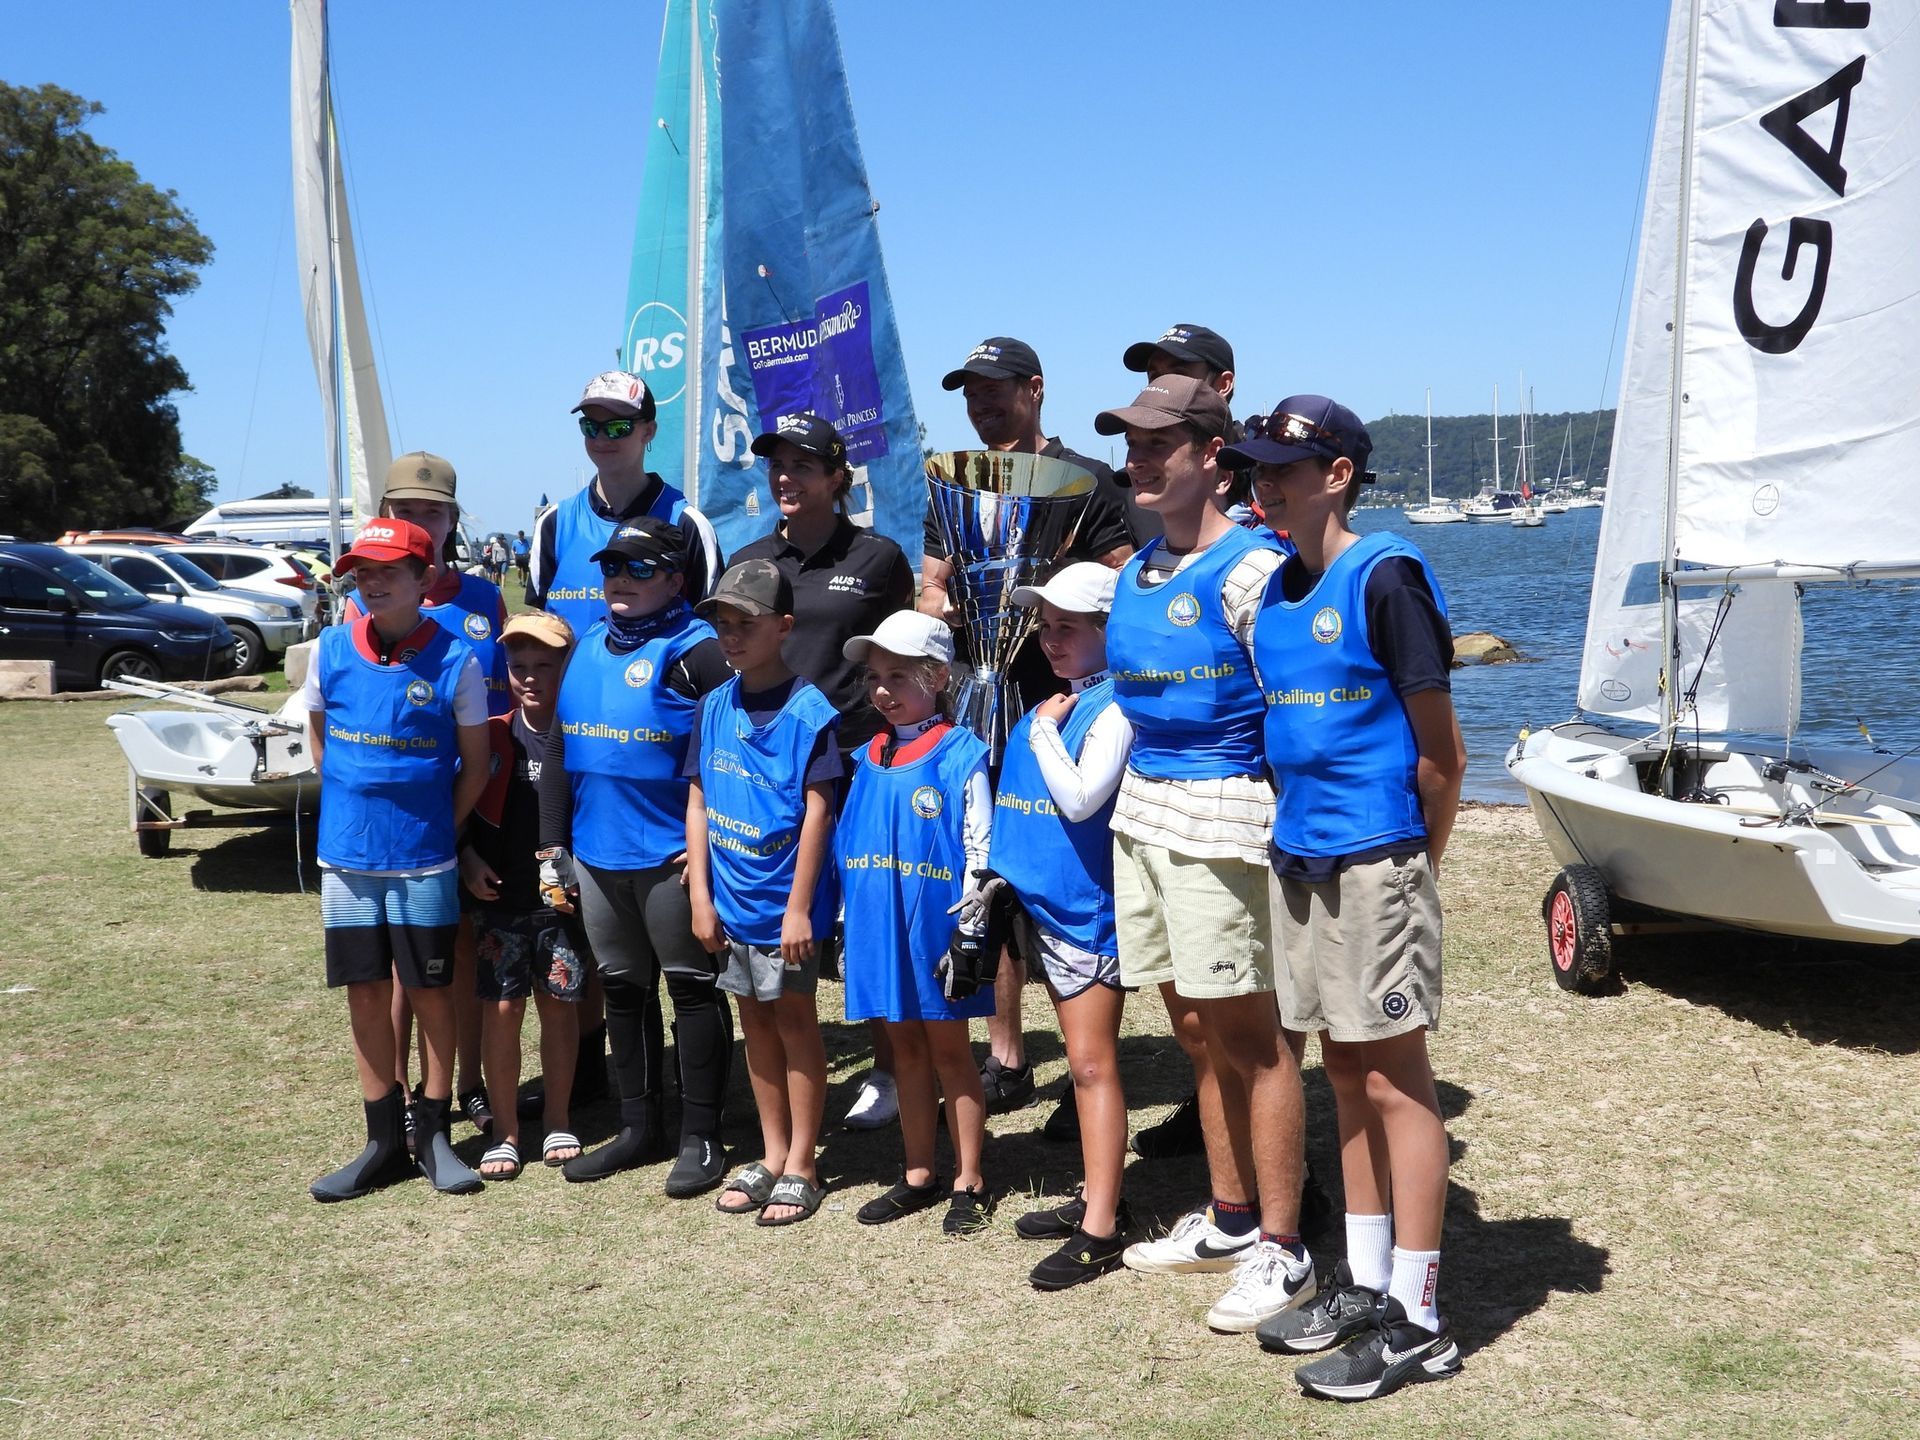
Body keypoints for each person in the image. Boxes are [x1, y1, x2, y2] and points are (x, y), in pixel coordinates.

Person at [1229, 396, 1466, 1400]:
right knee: (1341, 1072)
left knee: (1395, 1080)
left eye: (1285, 469)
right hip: (1302, 862)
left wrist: (1420, 867)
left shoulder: (1387, 577)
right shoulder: (1275, 594)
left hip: (1378, 860)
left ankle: (1418, 1317)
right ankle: (1365, 1286)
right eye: (1257, 471)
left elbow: (1442, 755)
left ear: (1338, 475)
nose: (1265, 486)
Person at [1095, 376, 1314, 1335]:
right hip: (1144, 811)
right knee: (1192, 1027)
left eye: (1159, 445)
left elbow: (1301, 711)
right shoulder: (1141, 564)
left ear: (1213, 456)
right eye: (1131, 444)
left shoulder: (1253, 571)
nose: (1137, 460)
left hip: (1224, 816)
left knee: (1253, 1038)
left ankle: (1284, 1246)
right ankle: (1228, 1219)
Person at [917, 336, 1138, 1120]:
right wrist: (929, 608)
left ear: (1035, 389)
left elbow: (1126, 578)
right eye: (971, 393)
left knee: (1066, 872)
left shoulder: (1086, 480)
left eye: (996, 390)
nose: (982, 405)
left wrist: (1059, 604)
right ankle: (1005, 1053)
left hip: (1058, 699)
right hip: (974, 697)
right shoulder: (953, 482)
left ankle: (1089, 1052)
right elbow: (934, 577)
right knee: (990, 872)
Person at [538, 518, 737, 1197]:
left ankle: (702, 1135)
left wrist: (713, 850)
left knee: (692, 988)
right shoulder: (590, 641)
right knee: (622, 990)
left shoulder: (699, 651)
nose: (621, 578)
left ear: (677, 579)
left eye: (641, 567)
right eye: (612, 566)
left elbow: (735, 751)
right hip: (597, 856)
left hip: (672, 858)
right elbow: (561, 750)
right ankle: (637, 1127)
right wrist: (553, 840)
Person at [729, 411, 915, 1131]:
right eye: (777, 464)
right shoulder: (748, 559)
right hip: (769, 776)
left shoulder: (877, 558)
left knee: (867, 918)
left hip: (860, 768)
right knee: (782, 920)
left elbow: (901, 657)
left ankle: (891, 1069)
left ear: (838, 477)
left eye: (803, 465)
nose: (785, 476)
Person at [304, 517, 490, 1201]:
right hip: (348, 862)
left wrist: (438, 826)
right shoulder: (328, 649)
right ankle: (382, 1140)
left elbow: (475, 765)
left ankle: (433, 1132)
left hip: (423, 863)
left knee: (432, 992)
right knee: (365, 993)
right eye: (363, 571)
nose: (371, 582)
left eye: (388, 571)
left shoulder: (457, 660)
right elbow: (323, 745)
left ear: (424, 580)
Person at [345, 453, 509, 1141]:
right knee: (390, 963)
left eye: (432, 511)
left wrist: (467, 825)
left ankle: (462, 1085)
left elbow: (496, 706)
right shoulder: (363, 598)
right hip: (393, 820)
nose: (419, 522)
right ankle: (400, 1098)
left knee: (460, 952)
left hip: (467, 802)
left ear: (451, 520)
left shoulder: (483, 600)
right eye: (404, 510)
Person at [987, 562, 1136, 1288]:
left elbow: (1082, 800)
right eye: (1044, 627)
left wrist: (1044, 730)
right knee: (1081, 1069)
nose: (1051, 639)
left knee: (1089, 1065)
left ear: (1112, 631)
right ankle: (1093, 1196)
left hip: (1089, 917)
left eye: (1068, 627)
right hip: (1046, 910)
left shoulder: (1113, 708)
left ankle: (1103, 1226)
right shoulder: (1069, 700)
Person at [684, 560, 841, 1226]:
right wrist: (701, 896)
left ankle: (804, 1160)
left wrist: (801, 905)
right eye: (722, 624)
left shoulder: (812, 714)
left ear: (783, 627)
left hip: (785, 908)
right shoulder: (714, 704)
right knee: (755, 1024)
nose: (730, 636)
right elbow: (696, 799)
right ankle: (772, 1152)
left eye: (744, 624)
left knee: (795, 1026)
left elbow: (820, 810)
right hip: (731, 903)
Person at [836, 611, 995, 1236]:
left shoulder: (961, 751)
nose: (882, 689)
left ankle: (970, 1177)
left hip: (934, 928)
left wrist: (971, 929)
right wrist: (849, 925)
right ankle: (919, 1172)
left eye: (898, 675)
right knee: (901, 1048)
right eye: (875, 676)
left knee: (950, 1051)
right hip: (880, 926)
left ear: (937, 677)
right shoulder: (867, 755)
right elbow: (854, 844)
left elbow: (978, 845)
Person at [459, 610, 587, 1180]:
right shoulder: (489, 733)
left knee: (561, 1008)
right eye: (517, 666)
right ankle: (507, 1130)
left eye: (544, 664)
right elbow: (457, 810)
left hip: (562, 903)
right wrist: (466, 858)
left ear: (569, 666)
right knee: (503, 1009)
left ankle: (559, 1118)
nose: (529, 676)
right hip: (500, 900)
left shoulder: (585, 733)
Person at [527, 370, 723, 636]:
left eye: (618, 428)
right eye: (590, 427)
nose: (601, 439)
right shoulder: (555, 522)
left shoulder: (687, 523)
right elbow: (534, 631)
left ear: (649, 431)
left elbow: (714, 632)